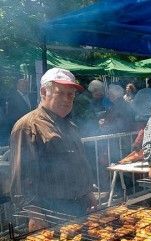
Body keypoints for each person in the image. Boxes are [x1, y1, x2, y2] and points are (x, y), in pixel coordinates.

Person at [10, 68, 96, 232]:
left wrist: (88, 192)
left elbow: (79, 163)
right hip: (49, 212)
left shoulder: (70, 126)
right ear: (43, 92)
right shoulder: (28, 127)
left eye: (70, 94)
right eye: (60, 93)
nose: (66, 99)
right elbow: (22, 178)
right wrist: (34, 215)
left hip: (78, 208)